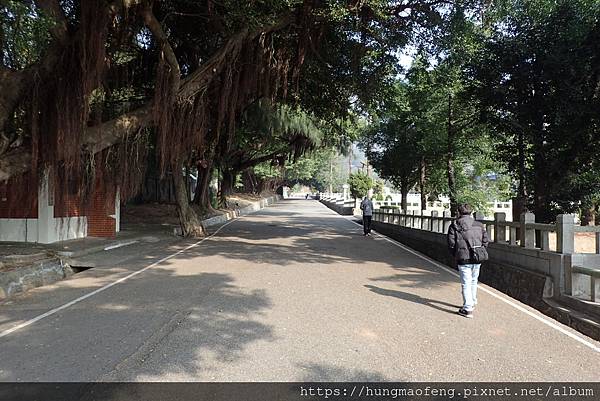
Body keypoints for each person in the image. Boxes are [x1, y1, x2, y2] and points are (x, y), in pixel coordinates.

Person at [447, 203, 489, 318]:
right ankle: (473, 301)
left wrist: (456, 254)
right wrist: (479, 251)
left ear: (458, 212)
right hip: (477, 257)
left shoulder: (455, 225)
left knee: (466, 283)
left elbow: (451, 244)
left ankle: (467, 308)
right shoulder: (479, 225)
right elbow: (485, 241)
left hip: (463, 258)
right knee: (474, 280)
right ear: (471, 212)